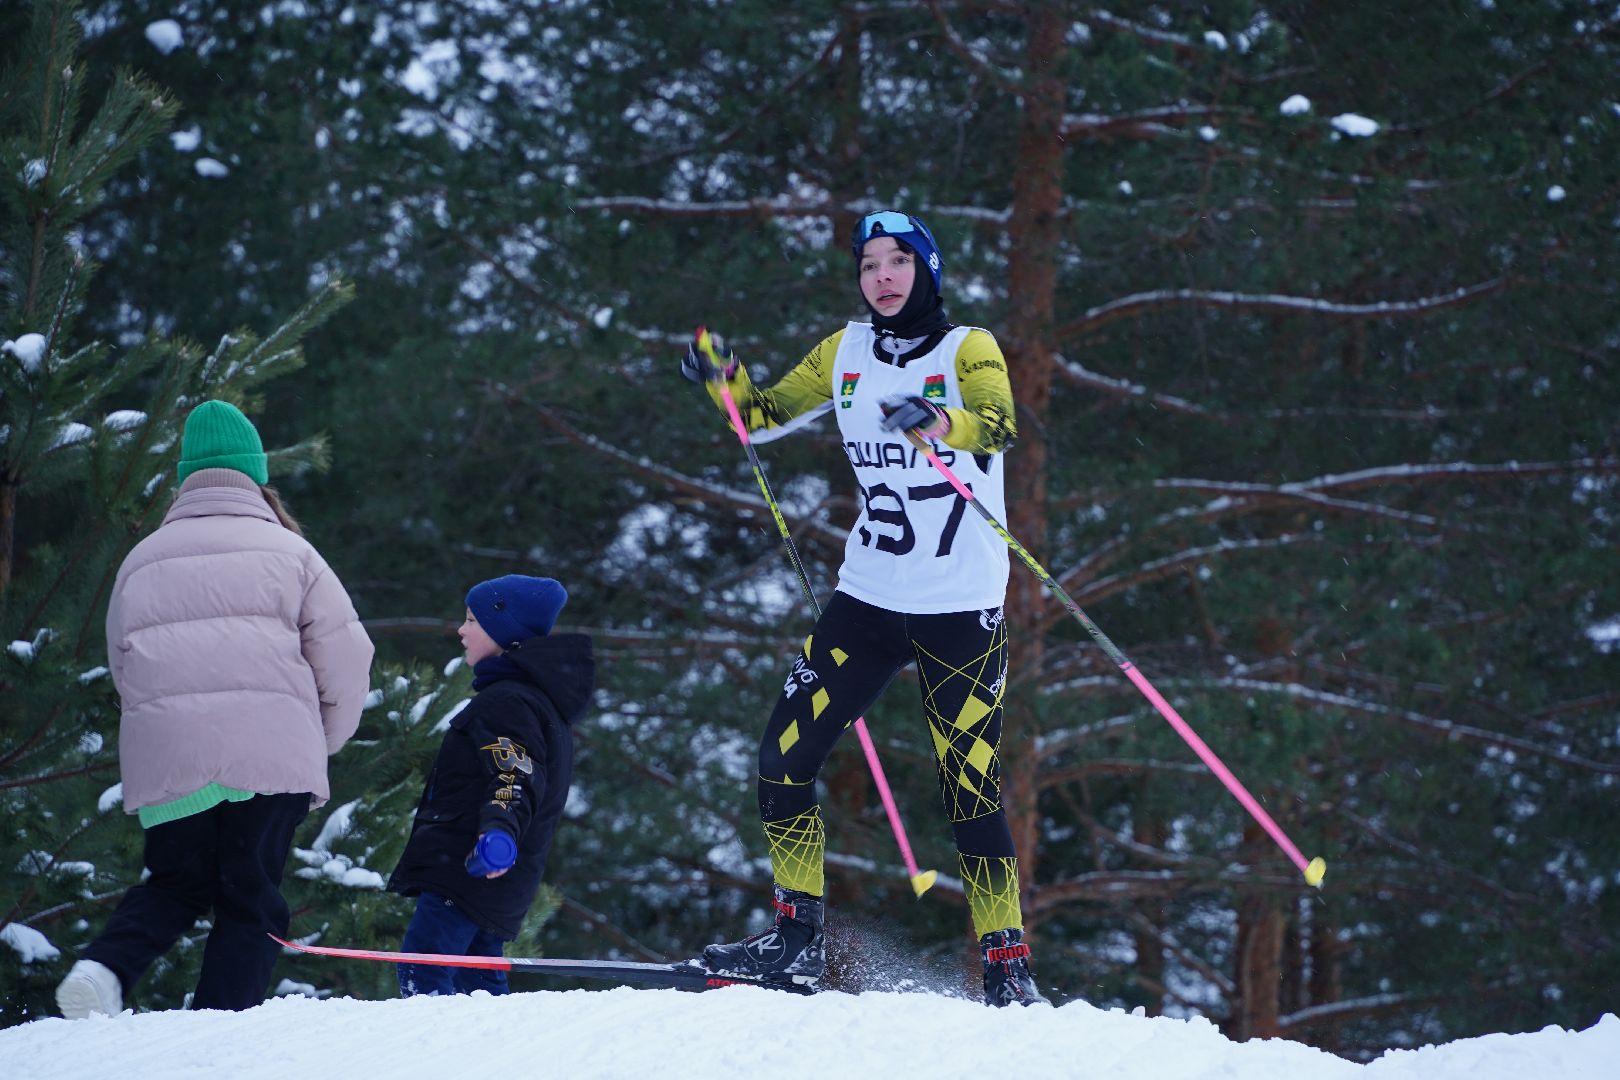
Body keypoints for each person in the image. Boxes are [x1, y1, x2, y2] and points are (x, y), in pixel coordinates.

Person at [678, 210, 1043, 1006]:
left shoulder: (966, 347)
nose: (881, 276)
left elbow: (1000, 425)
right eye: (869, 264)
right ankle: (794, 941)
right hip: (868, 599)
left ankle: (1006, 966)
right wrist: (726, 381)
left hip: (959, 605)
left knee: (967, 784)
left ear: (928, 271)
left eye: (898, 262)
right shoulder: (845, 351)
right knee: (783, 757)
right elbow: (764, 416)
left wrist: (937, 420)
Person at [55, 400, 374, 1018]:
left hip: (171, 756)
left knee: (177, 884)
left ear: (185, 478)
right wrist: (320, 740)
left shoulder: (143, 558)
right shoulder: (293, 554)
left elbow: (127, 669)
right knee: (251, 900)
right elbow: (347, 659)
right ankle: (220, 1028)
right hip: (271, 755)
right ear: (256, 475)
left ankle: (103, 968)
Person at [387, 574, 594, 996]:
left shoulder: (508, 702)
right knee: (478, 991)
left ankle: (429, 1057)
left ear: (504, 630)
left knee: (423, 974)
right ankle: (490, 1059)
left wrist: (497, 831)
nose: (461, 630)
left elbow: (514, 774)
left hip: (466, 866)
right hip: (493, 876)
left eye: (472, 621)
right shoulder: (535, 702)